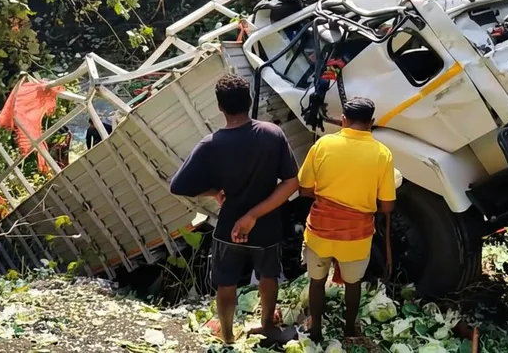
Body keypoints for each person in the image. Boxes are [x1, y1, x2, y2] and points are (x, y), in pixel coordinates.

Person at [169, 74, 299, 344]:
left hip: (228, 228)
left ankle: (227, 337)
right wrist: (253, 216)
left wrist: (214, 191)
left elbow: (178, 186)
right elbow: (290, 182)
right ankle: (267, 326)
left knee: (226, 282)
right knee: (268, 275)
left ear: (219, 107)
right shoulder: (271, 134)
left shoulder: (211, 144)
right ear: (250, 101)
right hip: (265, 227)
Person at [297, 97, 396, 342]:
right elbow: (387, 206)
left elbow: (304, 189)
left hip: (320, 231)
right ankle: (350, 329)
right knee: (354, 285)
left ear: (343, 119)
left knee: (317, 282)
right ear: (371, 122)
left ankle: (316, 328)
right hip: (356, 237)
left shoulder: (323, 145)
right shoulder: (382, 154)